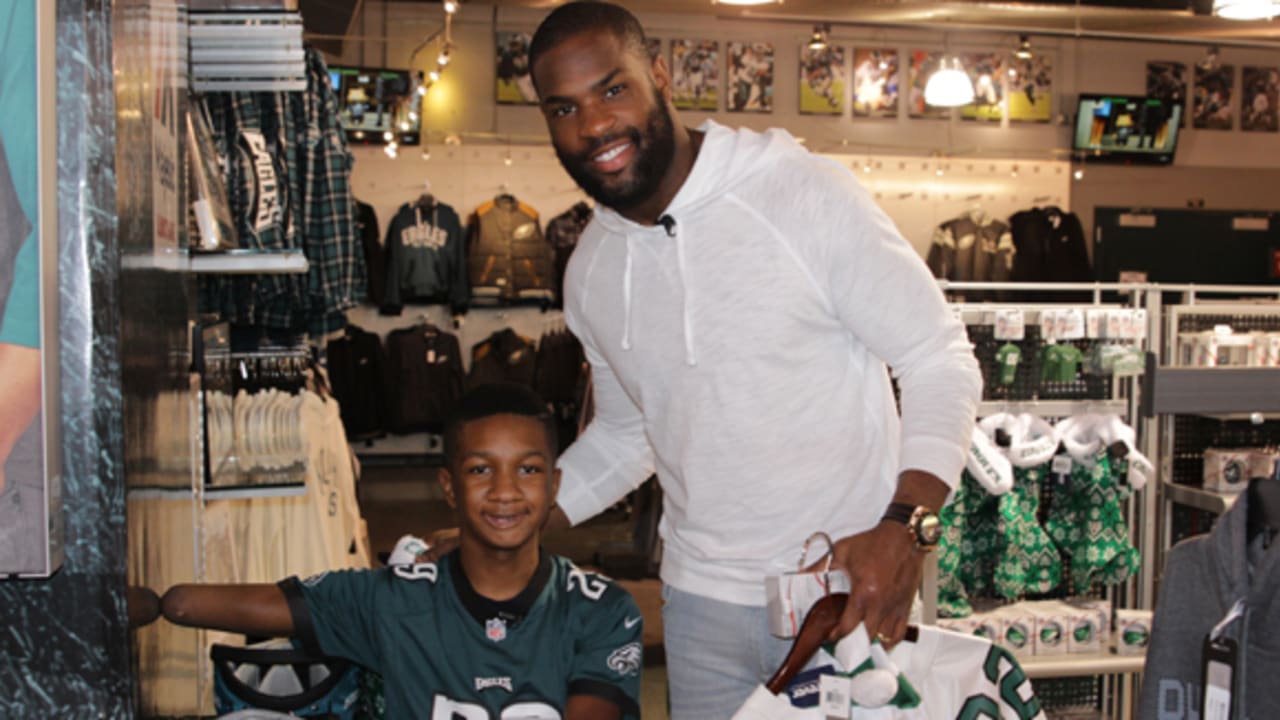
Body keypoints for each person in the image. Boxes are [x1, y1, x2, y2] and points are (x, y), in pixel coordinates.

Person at [433, 3, 982, 717]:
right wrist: (512, 516)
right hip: (699, 609)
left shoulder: (799, 193)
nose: (593, 125)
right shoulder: (591, 269)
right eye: (562, 107)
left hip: (847, 591)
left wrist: (905, 525)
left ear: (659, 75)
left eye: (612, 89)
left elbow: (939, 358)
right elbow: (633, 433)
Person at [161, 383, 644, 720]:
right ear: (448, 487)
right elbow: (188, 603)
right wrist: (159, 602)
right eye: (480, 470)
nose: (504, 491)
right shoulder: (390, 600)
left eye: (529, 470)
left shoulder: (600, 611)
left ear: (555, 484)